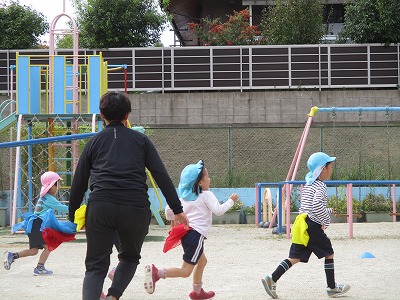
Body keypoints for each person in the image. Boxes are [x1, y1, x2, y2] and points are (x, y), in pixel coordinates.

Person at [68, 91, 188, 300]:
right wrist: (177, 210)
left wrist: (72, 217)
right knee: (130, 258)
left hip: (101, 207)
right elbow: (161, 175)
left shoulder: (94, 143)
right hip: (135, 208)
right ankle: (113, 297)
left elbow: (78, 184)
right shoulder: (141, 141)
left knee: (96, 266)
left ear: (102, 115)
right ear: (128, 114)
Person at [144, 160, 239, 300]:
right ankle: (157, 273)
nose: (209, 179)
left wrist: (173, 222)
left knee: (202, 261)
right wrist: (231, 200)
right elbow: (219, 211)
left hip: (186, 235)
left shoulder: (182, 198)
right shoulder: (207, 195)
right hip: (196, 236)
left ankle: (197, 291)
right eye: (207, 176)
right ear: (200, 183)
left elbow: (169, 211)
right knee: (185, 271)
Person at [261, 152, 350, 299]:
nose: (331, 169)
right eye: (330, 166)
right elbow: (316, 206)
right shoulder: (320, 185)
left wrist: (327, 210)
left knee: (294, 257)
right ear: (323, 169)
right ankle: (332, 287)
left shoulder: (309, 184)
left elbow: (309, 207)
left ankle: (272, 278)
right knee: (329, 253)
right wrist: (325, 221)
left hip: (302, 224)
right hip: (312, 226)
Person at [3, 171, 68, 275]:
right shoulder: (49, 198)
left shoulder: (44, 197)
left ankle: (13, 256)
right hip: (37, 225)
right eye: (58, 184)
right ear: (52, 186)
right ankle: (39, 268)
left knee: (34, 251)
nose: (58, 187)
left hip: (33, 225)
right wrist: (76, 209)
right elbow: (63, 209)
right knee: (48, 246)